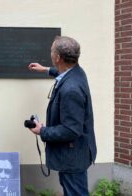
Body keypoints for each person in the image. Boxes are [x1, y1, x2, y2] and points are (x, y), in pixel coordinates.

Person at [27, 36, 97, 196]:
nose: (50, 53)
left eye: (52, 50)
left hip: (72, 157)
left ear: (58, 57)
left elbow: (71, 130)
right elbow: (64, 74)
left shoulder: (71, 90)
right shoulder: (77, 72)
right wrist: (46, 69)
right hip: (76, 153)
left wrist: (42, 131)